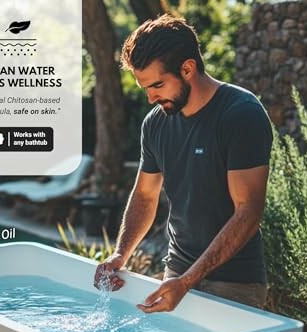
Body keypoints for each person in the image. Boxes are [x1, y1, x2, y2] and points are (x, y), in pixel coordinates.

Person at [93, 14, 273, 312]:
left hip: (235, 284)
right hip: (176, 274)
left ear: (187, 68)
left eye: (158, 85)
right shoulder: (155, 124)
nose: (151, 98)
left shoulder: (241, 115)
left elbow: (248, 211)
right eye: (145, 88)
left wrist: (188, 281)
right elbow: (145, 195)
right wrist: (120, 255)